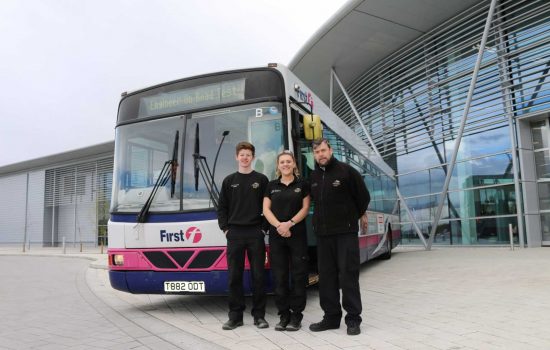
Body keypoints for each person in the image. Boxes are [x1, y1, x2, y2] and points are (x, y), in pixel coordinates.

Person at [308, 138, 370, 336]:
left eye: (323, 150)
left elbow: (363, 196)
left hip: (345, 233)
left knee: (348, 276)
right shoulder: (314, 176)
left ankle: (353, 319)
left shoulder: (346, 171)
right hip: (324, 236)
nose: (321, 155)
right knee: (326, 279)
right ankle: (331, 318)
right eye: (317, 152)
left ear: (331, 150)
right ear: (314, 155)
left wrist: (356, 215)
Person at [217, 141, 269, 330]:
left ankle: (259, 316)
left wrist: (263, 229)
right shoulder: (229, 181)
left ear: (253, 157)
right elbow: (222, 207)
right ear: (236, 157)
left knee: (258, 276)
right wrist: (226, 229)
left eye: (248, 155)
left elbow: (268, 207)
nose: (245, 158)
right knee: (234, 277)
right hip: (235, 234)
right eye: (242, 155)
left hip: (256, 233)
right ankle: (235, 317)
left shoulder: (262, 180)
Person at [263, 150, 310, 331]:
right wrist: (279, 227)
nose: (285, 164)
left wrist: (289, 224)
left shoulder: (302, 184)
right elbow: (266, 210)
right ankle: (284, 315)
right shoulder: (271, 185)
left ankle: (296, 316)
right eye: (282, 162)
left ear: (294, 164)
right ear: (278, 165)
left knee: (298, 276)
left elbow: (305, 208)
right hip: (277, 236)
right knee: (280, 276)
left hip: (297, 235)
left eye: (288, 161)